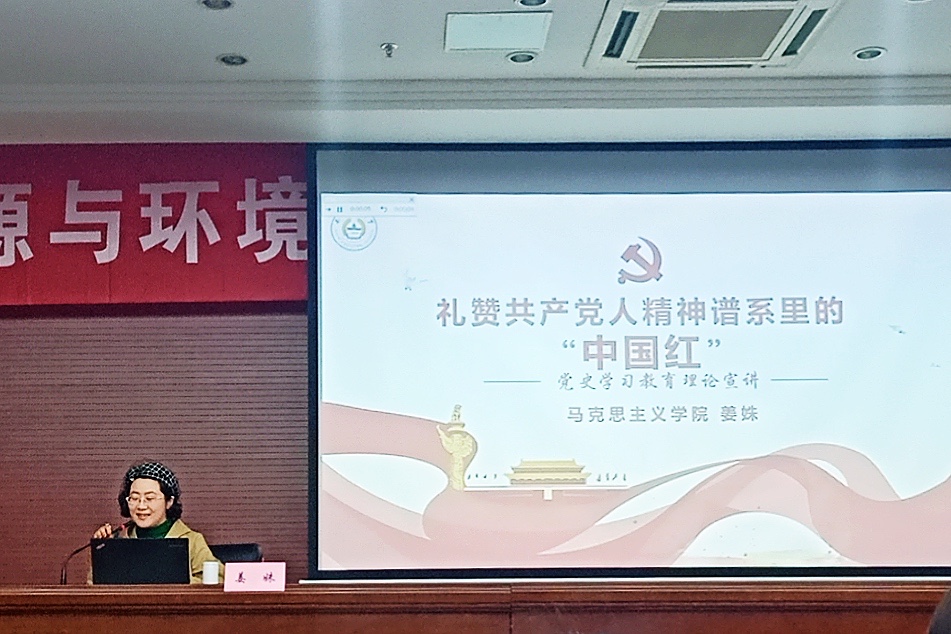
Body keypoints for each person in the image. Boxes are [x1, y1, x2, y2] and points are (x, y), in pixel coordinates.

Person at [92, 461, 222, 584]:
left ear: (169, 501)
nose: (141, 506)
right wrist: (104, 552)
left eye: (150, 498)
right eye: (135, 498)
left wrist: (172, 579)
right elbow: (93, 586)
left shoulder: (192, 540)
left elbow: (218, 581)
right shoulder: (117, 538)